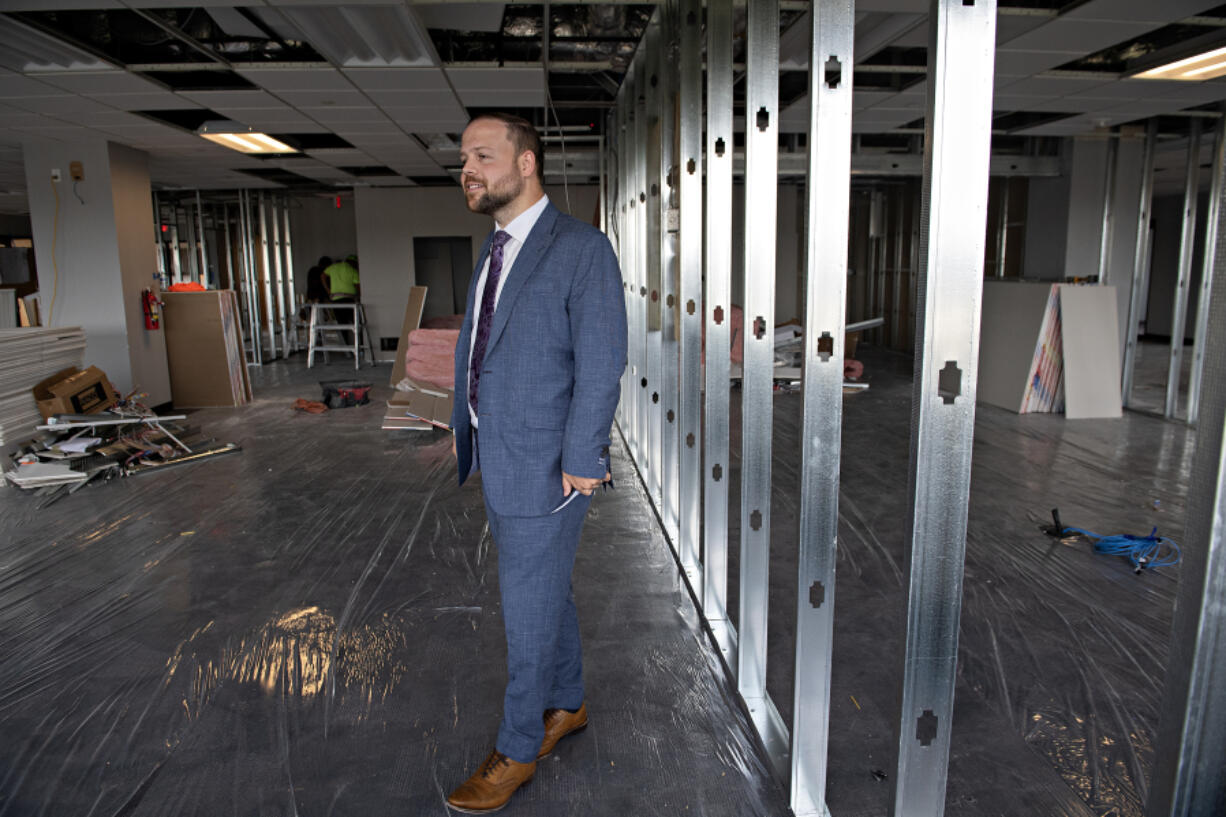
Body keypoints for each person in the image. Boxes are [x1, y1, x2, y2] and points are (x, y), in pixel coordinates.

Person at [446, 113, 627, 813]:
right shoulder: (496, 251)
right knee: (546, 587)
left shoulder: (581, 249)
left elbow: (602, 358)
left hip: (549, 465)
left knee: (525, 607)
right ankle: (569, 702)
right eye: (464, 156)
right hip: (501, 453)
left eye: (483, 155)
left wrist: (584, 456)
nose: (469, 167)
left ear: (526, 164)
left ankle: (518, 746)